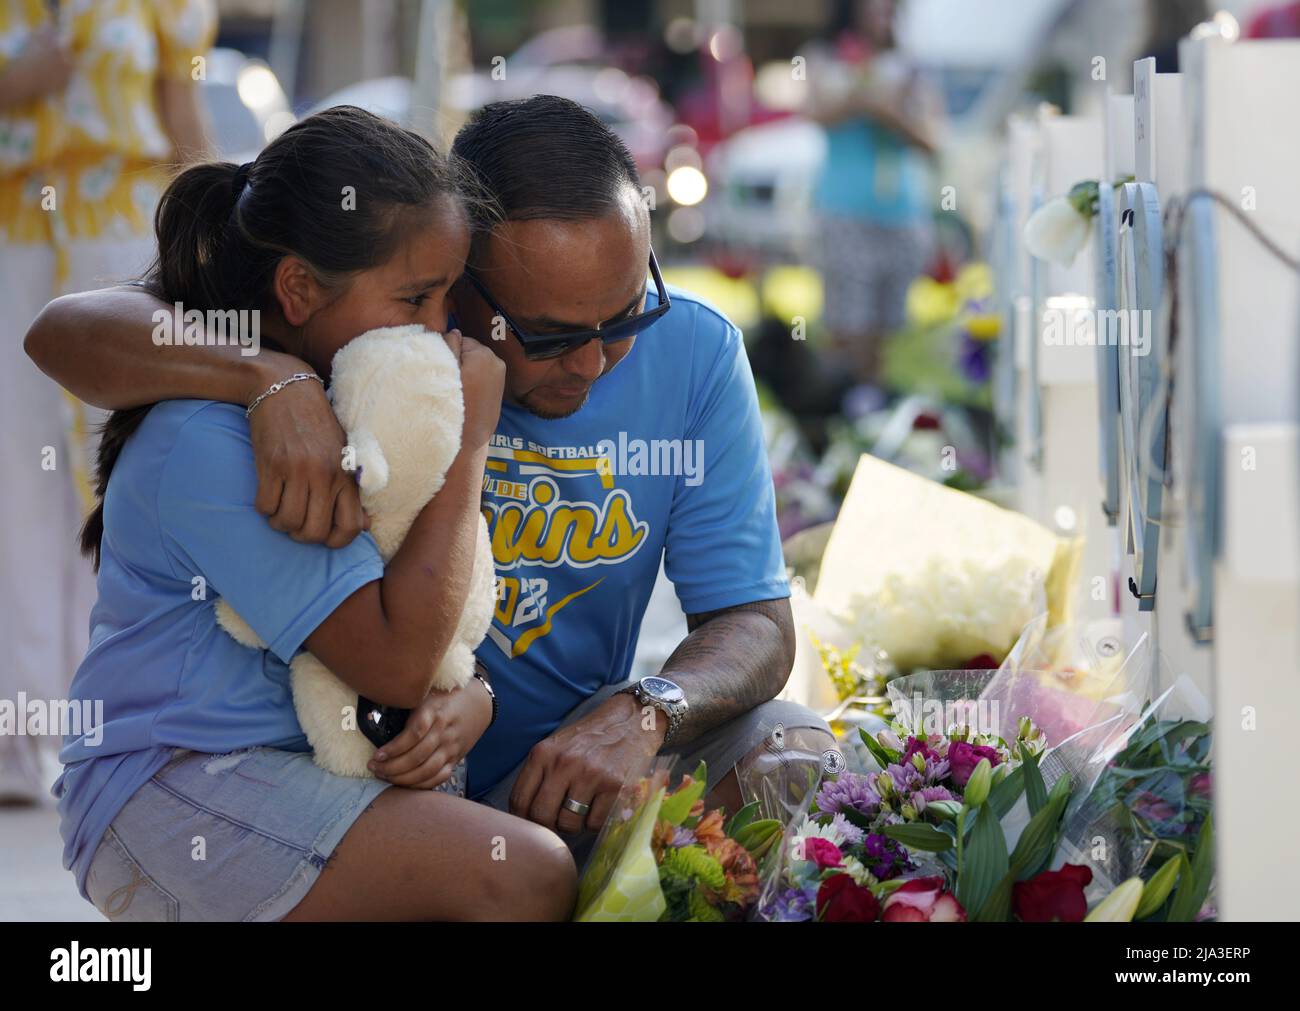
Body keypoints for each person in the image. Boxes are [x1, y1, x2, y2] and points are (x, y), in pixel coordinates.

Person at [28, 95, 835, 873]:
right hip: (366, 785)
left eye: (625, 316)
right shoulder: (383, 330)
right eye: (550, 335)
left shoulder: (694, 350)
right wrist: (267, 376)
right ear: (456, 276)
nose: (594, 362)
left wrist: (648, 709)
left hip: (569, 780)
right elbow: (65, 330)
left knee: (794, 753)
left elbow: (754, 620)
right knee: (502, 874)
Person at [28, 106, 575, 922]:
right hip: (172, 787)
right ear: (296, 288)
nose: (438, 333)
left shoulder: (350, 404)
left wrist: (476, 699)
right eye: (416, 298)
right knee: (523, 873)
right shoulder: (219, 438)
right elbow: (391, 661)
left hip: (285, 770)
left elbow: (434, 619)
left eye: (447, 304)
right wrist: (470, 441)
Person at [0, 0, 215, 805]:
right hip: (12, 237)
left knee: (131, 475)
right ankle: (15, 733)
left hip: (122, 239)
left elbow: (182, 114)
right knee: (14, 475)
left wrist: (212, 246)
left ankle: (126, 721)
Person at [804, 0, 941, 383]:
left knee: (888, 330)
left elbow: (934, 141)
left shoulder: (911, 67)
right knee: (848, 325)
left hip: (901, 212)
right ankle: (843, 407)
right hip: (844, 208)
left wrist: (892, 113)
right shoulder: (823, 57)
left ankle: (874, 412)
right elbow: (814, 113)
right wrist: (860, 97)